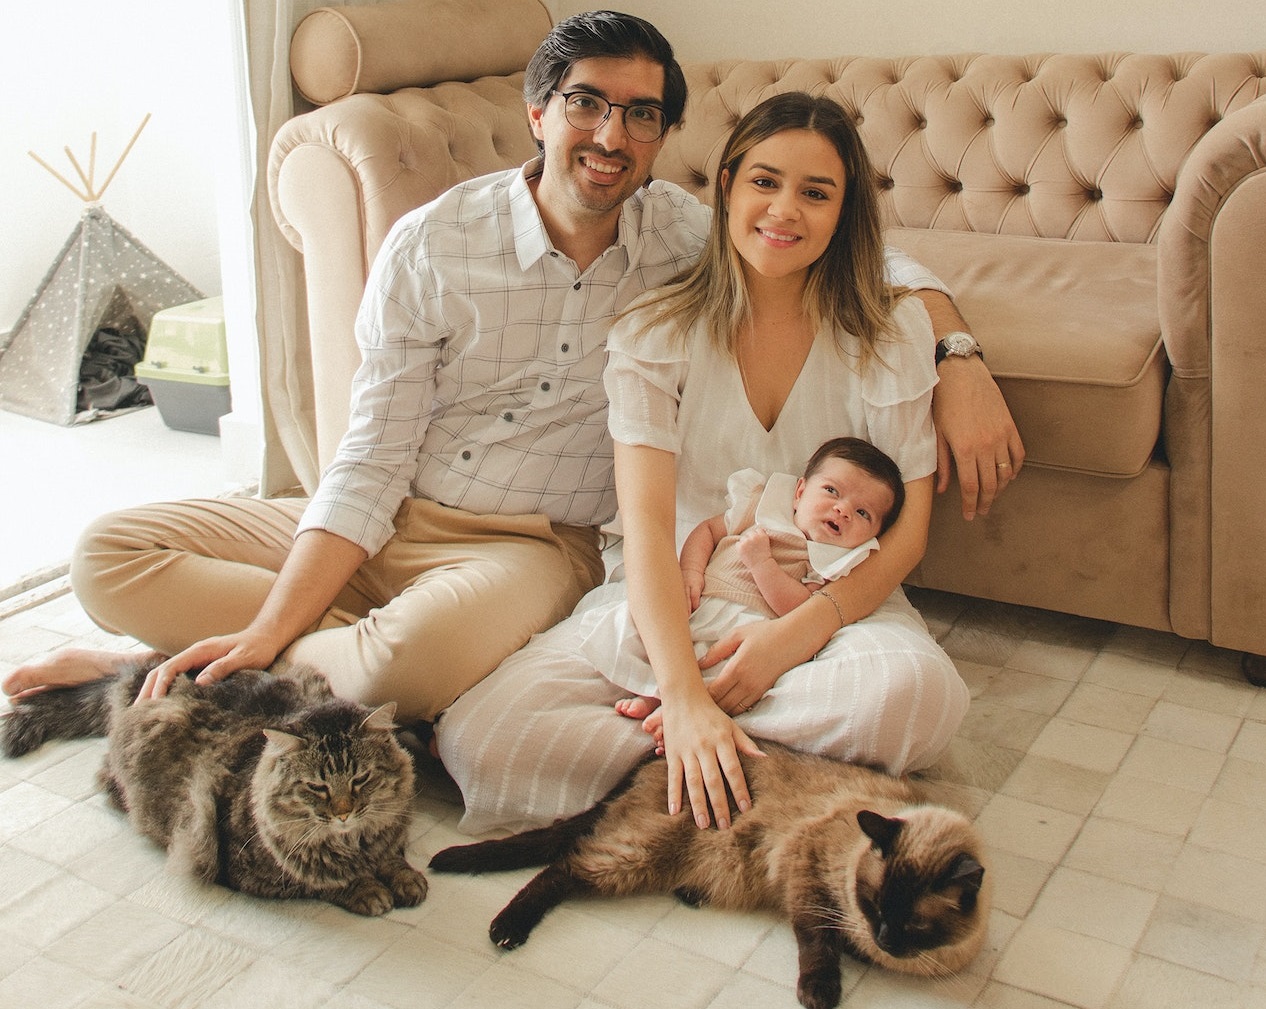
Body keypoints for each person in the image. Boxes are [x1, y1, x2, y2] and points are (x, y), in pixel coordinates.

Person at [4, 13, 1015, 730]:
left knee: (409, 663)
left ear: (665, 136)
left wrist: (959, 353)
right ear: (538, 111)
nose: (611, 136)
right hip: (398, 514)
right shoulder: (432, 245)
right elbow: (366, 457)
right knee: (107, 555)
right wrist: (275, 618)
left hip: (532, 545)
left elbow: (860, 255)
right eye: (587, 105)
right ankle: (276, 645)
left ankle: (159, 671)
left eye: (642, 115)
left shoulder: (680, 235)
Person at [435, 90, 971, 836]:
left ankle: (697, 760)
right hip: (678, 602)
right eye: (765, 181)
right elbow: (650, 528)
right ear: (726, 187)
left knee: (918, 697)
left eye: (816, 193)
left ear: (845, 212)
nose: (785, 210)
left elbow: (906, 535)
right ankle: (739, 759)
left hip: (829, 608)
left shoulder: (892, 333)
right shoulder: (655, 330)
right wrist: (684, 694)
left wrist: (788, 640)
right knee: (484, 736)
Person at [601, 435, 906, 726]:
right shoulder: (760, 508)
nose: (842, 510)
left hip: (747, 625)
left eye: (863, 512)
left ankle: (675, 708)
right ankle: (654, 690)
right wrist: (690, 572)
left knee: (722, 668)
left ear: (874, 535)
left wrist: (763, 564)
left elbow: (799, 607)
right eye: (832, 491)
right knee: (642, 630)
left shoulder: (830, 562)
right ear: (800, 492)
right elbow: (707, 532)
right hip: (699, 601)